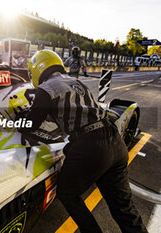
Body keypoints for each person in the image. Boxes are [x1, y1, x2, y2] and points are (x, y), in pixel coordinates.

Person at [20, 50, 148, 233]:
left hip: (91, 146)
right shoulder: (76, 82)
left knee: (67, 193)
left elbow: (30, 124)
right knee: (124, 209)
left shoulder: (46, 88)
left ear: (39, 68)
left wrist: (16, 120)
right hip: (114, 140)